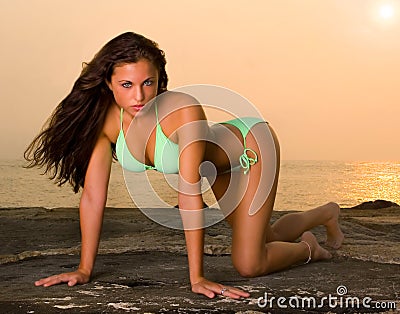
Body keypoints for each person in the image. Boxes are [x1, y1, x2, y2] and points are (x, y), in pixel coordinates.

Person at [25, 32, 344, 299]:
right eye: (126, 85)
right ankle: (325, 213)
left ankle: (309, 248)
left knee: (250, 263)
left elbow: (190, 193)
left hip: (250, 150)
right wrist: (84, 269)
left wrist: (197, 278)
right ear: (108, 83)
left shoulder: (182, 111)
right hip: (216, 164)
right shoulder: (107, 122)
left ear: (159, 79)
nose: (139, 96)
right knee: (265, 235)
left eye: (148, 83)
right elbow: (94, 197)